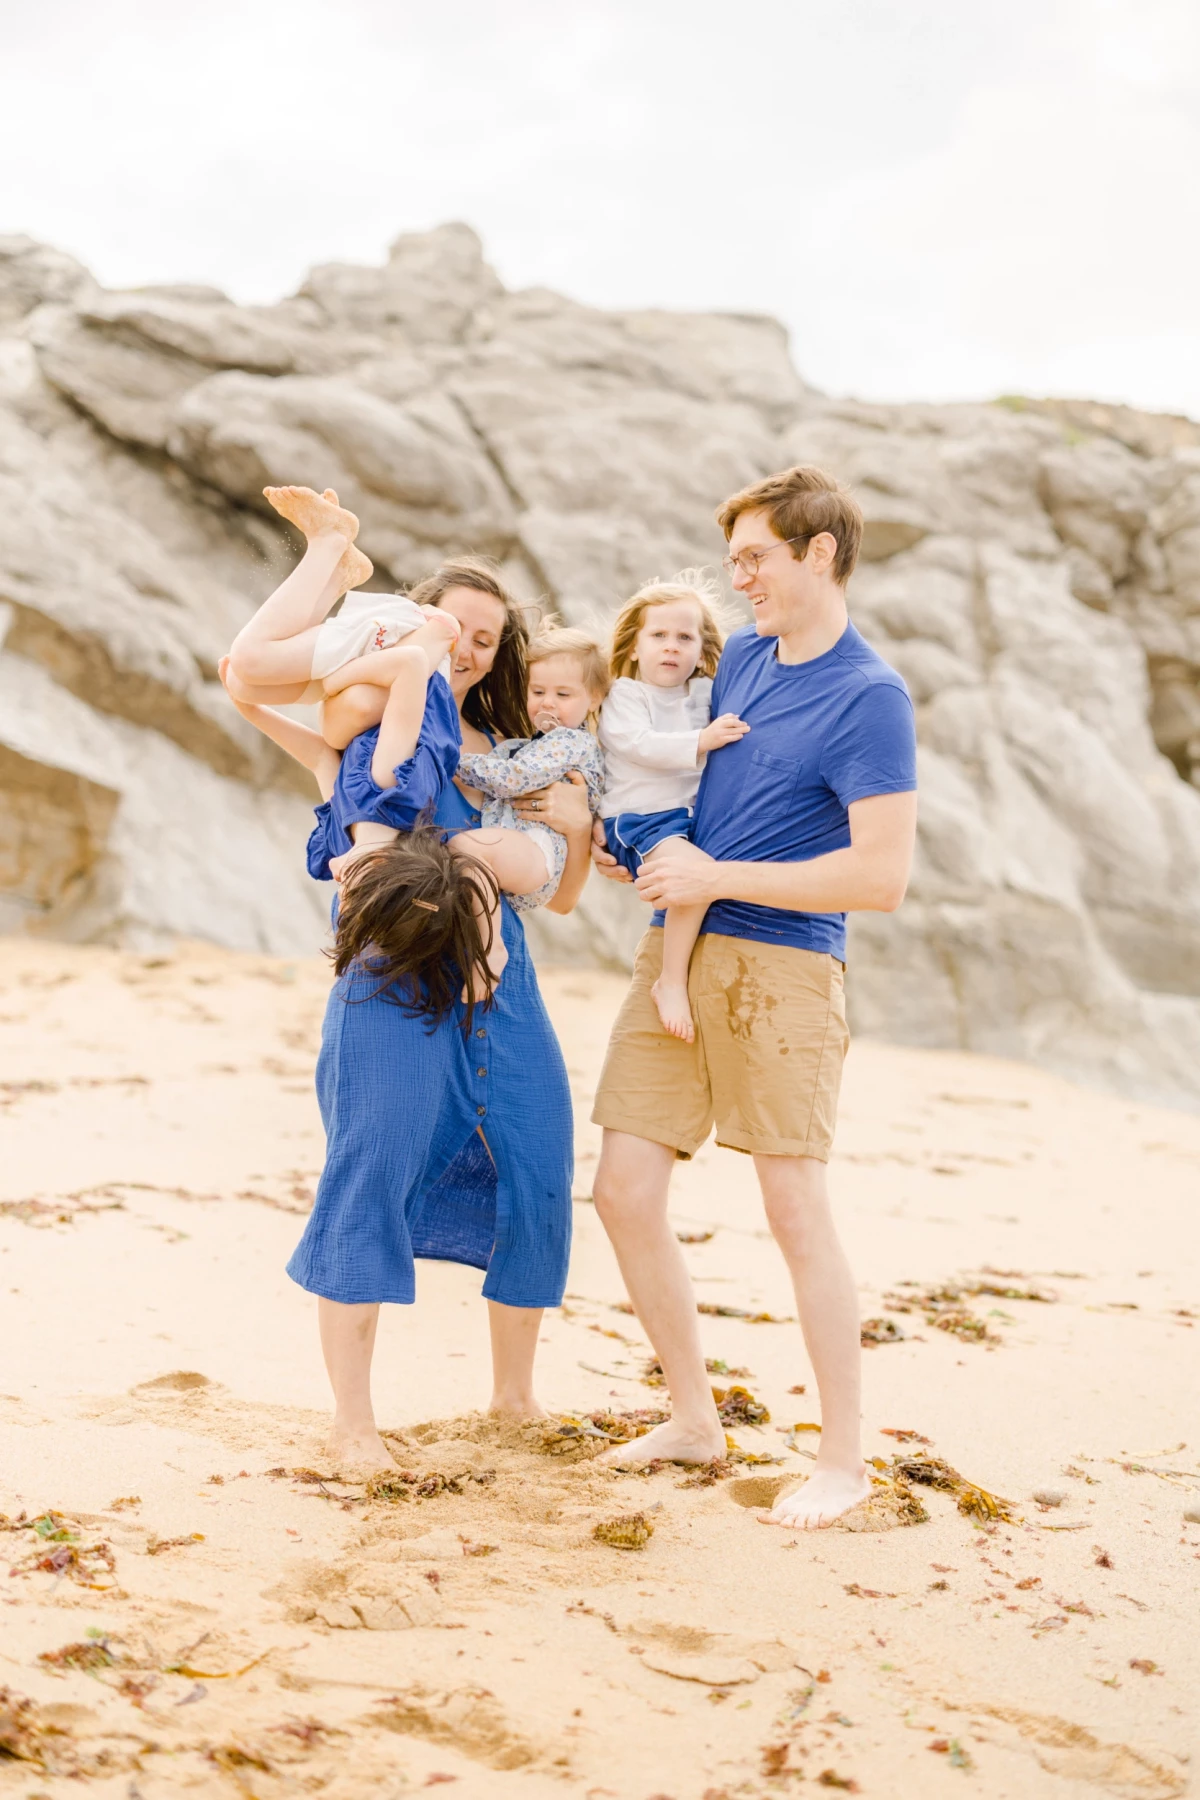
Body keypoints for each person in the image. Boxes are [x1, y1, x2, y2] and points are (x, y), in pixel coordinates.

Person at [589, 465, 918, 1530]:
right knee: (623, 1191)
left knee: (793, 1213)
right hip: (673, 952)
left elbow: (881, 878)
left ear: (818, 553)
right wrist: (630, 851)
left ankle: (844, 1459)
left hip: (785, 971)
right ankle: (694, 1419)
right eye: (733, 562)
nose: (740, 581)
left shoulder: (871, 697)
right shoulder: (744, 668)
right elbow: (686, 790)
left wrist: (718, 878)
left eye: (755, 559)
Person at [229, 538, 595, 1468]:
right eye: (458, 629)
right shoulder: (380, 710)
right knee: (372, 1169)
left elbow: (562, 891)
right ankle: (353, 1422)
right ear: (420, 623)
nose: (470, 649)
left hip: (505, 986)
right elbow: (309, 742)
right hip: (392, 977)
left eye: (487, 638)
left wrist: (575, 831)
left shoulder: (516, 758)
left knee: (538, 1163)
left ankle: (513, 1398)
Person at [597, 571, 748, 1043]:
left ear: (702, 652)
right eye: (658, 635)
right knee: (697, 880)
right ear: (635, 646)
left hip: (684, 821)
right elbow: (641, 746)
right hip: (636, 819)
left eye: (685, 637)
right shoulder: (625, 694)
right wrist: (702, 741)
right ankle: (671, 980)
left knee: (701, 878)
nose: (671, 647)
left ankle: (678, 974)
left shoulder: (703, 693)